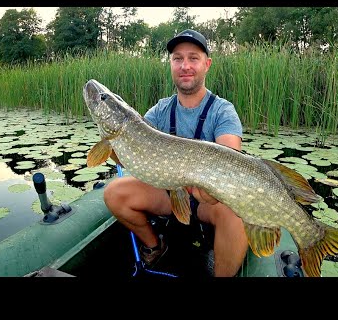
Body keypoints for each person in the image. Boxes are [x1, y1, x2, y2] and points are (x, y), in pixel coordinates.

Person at [103, 29, 249, 277]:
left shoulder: (223, 111)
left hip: (208, 202)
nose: (185, 66)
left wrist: (210, 187)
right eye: (177, 58)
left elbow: (230, 157)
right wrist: (115, 142)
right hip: (168, 193)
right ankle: (156, 246)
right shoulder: (160, 110)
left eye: (193, 58)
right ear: (171, 64)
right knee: (114, 194)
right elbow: (132, 157)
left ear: (207, 64)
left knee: (236, 213)